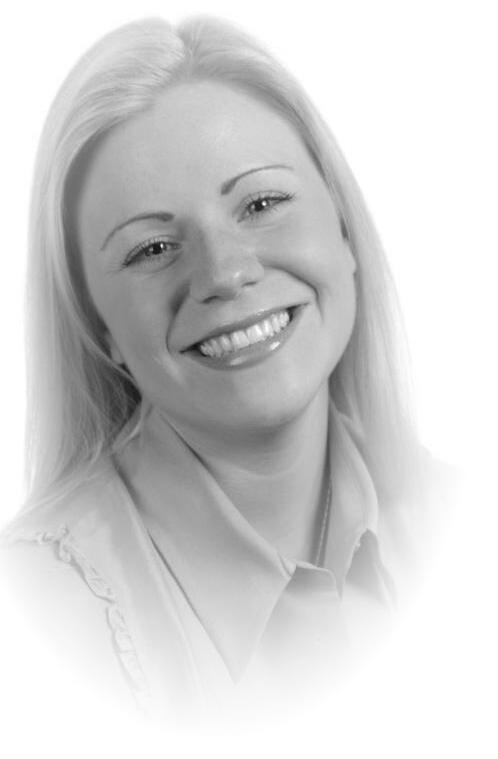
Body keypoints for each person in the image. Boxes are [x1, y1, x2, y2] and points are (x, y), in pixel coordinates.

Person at [0, 14, 455, 727]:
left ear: (344, 229)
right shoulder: (26, 624)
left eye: (262, 204)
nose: (226, 273)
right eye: (152, 249)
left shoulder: (466, 530)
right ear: (98, 327)